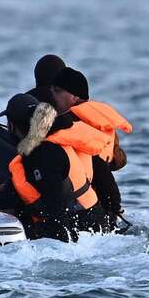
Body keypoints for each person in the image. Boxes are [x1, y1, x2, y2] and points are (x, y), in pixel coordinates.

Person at [0, 94, 115, 242]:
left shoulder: (43, 154)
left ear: (11, 126)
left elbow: (56, 207)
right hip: (95, 223)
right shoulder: (57, 140)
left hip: (78, 231)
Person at [51, 67, 132, 217]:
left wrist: (113, 208)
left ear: (74, 97)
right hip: (101, 203)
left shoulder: (76, 122)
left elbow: (99, 168)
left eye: (57, 90)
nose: (52, 95)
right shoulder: (95, 118)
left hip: (91, 206)